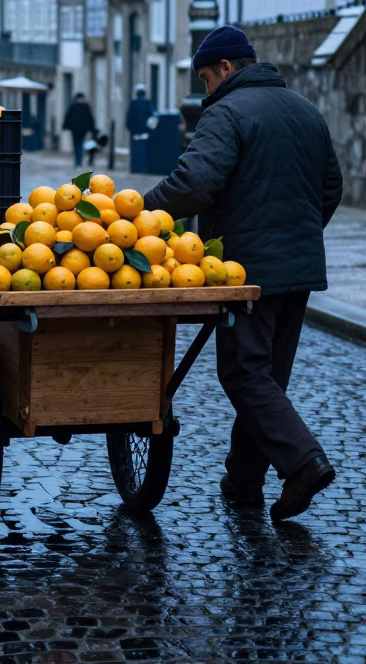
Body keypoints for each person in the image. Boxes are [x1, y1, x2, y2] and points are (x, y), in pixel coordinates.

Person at [142, 26, 343, 523]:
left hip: (249, 269)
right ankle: (244, 480)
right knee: (267, 375)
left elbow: (195, 183)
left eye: (207, 78)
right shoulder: (304, 108)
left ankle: (303, 462)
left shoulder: (226, 112)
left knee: (242, 372)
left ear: (227, 68)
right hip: (298, 268)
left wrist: (135, 215)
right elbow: (332, 186)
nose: (205, 90)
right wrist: (298, 236)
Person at [62, 93, 96, 168]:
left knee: (77, 144)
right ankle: (78, 160)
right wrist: (92, 129)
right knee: (79, 144)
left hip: (76, 129)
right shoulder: (85, 107)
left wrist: (65, 126)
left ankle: (78, 160)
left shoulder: (74, 107)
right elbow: (90, 118)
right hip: (81, 129)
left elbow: (68, 117)